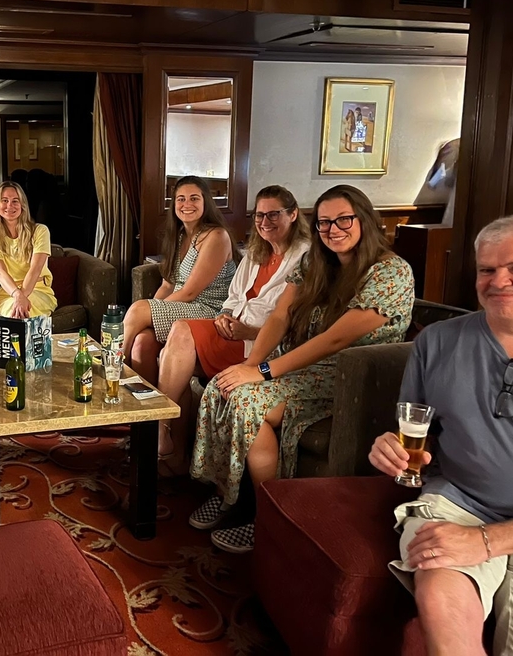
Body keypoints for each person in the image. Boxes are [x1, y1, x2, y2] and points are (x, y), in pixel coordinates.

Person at [190, 184, 414, 552]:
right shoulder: (315, 262)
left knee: (248, 401)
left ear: (366, 221)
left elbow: (335, 341)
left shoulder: (391, 273)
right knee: (223, 385)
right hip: (300, 361)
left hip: (352, 376)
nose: (333, 230)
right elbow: (281, 315)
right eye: (325, 223)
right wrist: (249, 364)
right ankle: (227, 493)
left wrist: (263, 373)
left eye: (344, 219)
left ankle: (266, 518)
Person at [370, 215, 513, 656]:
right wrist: (389, 448)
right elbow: (418, 436)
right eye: (486, 270)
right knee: (439, 599)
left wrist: (487, 541)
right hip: (454, 503)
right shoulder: (437, 341)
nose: (499, 280)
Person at [156, 185, 311, 475]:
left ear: (293, 214)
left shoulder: (305, 257)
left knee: (174, 348)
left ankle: (161, 431)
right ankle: (167, 440)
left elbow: (293, 321)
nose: (265, 222)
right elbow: (233, 297)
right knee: (174, 336)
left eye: (274, 215)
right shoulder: (256, 251)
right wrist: (224, 317)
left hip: (259, 344)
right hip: (231, 332)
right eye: (259, 215)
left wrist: (248, 332)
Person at [122, 175, 238, 385]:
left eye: (194, 198)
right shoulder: (179, 236)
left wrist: (149, 311)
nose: (187, 204)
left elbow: (190, 292)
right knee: (142, 343)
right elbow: (167, 285)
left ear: (206, 202)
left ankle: (117, 359)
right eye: (181, 199)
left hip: (210, 310)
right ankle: (146, 409)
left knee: (139, 310)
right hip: (185, 306)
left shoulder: (216, 236)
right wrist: (152, 309)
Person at [0, 181, 56, 318]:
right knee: (13, 311)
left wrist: (22, 297)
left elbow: (35, 268)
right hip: (6, 293)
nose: (9, 206)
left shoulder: (40, 231)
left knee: (25, 311)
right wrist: (17, 295)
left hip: (38, 290)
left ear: (23, 205)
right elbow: (0, 273)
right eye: (4, 200)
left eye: (15, 201)